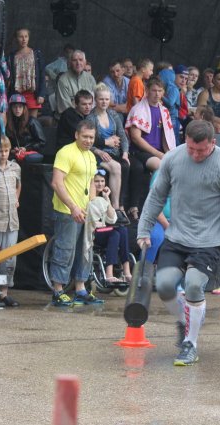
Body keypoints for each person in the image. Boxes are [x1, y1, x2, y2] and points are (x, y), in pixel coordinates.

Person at [137, 120, 220, 366]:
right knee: (164, 286)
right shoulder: (172, 159)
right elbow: (156, 197)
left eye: (202, 150)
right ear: (185, 140)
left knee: (194, 285)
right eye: (191, 148)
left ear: (213, 143)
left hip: (207, 241)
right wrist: (143, 229)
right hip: (176, 236)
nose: (196, 155)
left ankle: (190, 344)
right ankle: (185, 319)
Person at [49, 120, 103, 306]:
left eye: (91, 137)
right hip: (67, 211)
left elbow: (91, 182)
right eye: (85, 136)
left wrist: (93, 207)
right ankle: (58, 290)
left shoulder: (91, 156)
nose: (89, 140)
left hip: (85, 211)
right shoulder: (65, 152)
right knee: (65, 249)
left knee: (85, 250)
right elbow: (56, 183)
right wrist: (73, 207)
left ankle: (81, 289)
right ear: (76, 135)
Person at [125, 78, 176, 220]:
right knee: (161, 165)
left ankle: (173, 206)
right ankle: (155, 207)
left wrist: (169, 154)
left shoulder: (164, 110)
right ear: (147, 91)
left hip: (157, 152)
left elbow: (166, 137)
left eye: (160, 91)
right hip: (139, 151)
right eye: (154, 90)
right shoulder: (138, 109)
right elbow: (136, 138)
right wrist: (159, 154)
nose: (157, 94)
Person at [0, 135, 21, 307]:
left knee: (10, 259)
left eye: (6, 151)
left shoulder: (15, 167)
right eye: (0, 151)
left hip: (11, 219)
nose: (3, 154)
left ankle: (4, 292)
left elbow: (18, 184)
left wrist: (16, 199)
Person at [86, 83, 129, 214]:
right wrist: (99, 151)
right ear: (95, 100)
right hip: (96, 153)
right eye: (101, 99)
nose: (104, 102)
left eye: (107, 99)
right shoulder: (91, 118)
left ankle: (121, 204)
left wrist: (125, 153)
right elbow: (88, 143)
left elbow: (122, 135)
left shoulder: (113, 114)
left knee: (126, 164)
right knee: (116, 167)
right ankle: (115, 207)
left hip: (114, 152)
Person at [92, 170, 133, 282]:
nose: (100, 184)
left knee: (122, 230)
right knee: (114, 234)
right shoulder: (88, 197)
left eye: (102, 181)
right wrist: (94, 223)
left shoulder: (102, 197)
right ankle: (109, 274)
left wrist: (107, 198)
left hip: (103, 230)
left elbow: (112, 218)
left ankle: (126, 270)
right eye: (96, 181)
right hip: (91, 232)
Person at [7, 28, 46, 118]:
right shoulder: (12, 56)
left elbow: (42, 75)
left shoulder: (36, 54)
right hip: (17, 94)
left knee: (32, 121)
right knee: (18, 121)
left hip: (33, 94)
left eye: (26, 36)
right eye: (21, 37)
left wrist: (41, 94)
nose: (24, 39)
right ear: (16, 38)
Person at [5, 94, 46, 163]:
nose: (17, 109)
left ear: (24, 108)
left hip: (30, 154)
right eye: (15, 107)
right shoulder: (9, 122)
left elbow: (42, 142)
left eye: (20, 107)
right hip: (16, 154)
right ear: (11, 108)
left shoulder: (32, 121)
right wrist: (12, 150)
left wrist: (26, 148)